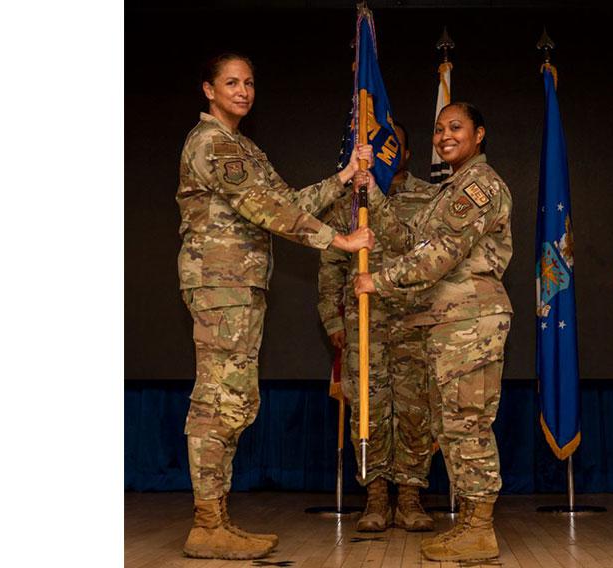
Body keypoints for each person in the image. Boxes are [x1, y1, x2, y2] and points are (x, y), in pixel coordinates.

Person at [176, 52, 375, 560]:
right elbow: (268, 211)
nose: (242, 90)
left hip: (239, 288)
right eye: (231, 82)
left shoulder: (241, 146)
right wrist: (342, 240)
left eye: (249, 82)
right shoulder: (212, 144)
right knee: (219, 400)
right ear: (208, 89)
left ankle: (216, 519)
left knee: (235, 398)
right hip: (221, 287)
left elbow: (286, 200)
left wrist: (344, 175)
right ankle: (206, 523)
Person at [354, 102, 512, 562]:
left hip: (470, 323)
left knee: (468, 425)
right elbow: (408, 239)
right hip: (449, 325)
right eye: (439, 128)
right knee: (454, 424)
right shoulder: (449, 189)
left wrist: (376, 281)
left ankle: (479, 528)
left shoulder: (478, 185)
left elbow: (439, 254)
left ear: (479, 134)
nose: (444, 136)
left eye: (456, 127)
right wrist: (373, 194)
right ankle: (469, 525)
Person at [316, 122, 438, 532]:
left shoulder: (429, 197)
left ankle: (409, 496)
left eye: (394, 147)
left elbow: (422, 251)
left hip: (413, 319)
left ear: (405, 153)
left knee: (414, 410)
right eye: (379, 147)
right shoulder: (350, 200)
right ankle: (375, 496)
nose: (387, 153)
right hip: (363, 323)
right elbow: (331, 263)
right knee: (368, 409)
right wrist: (333, 318)